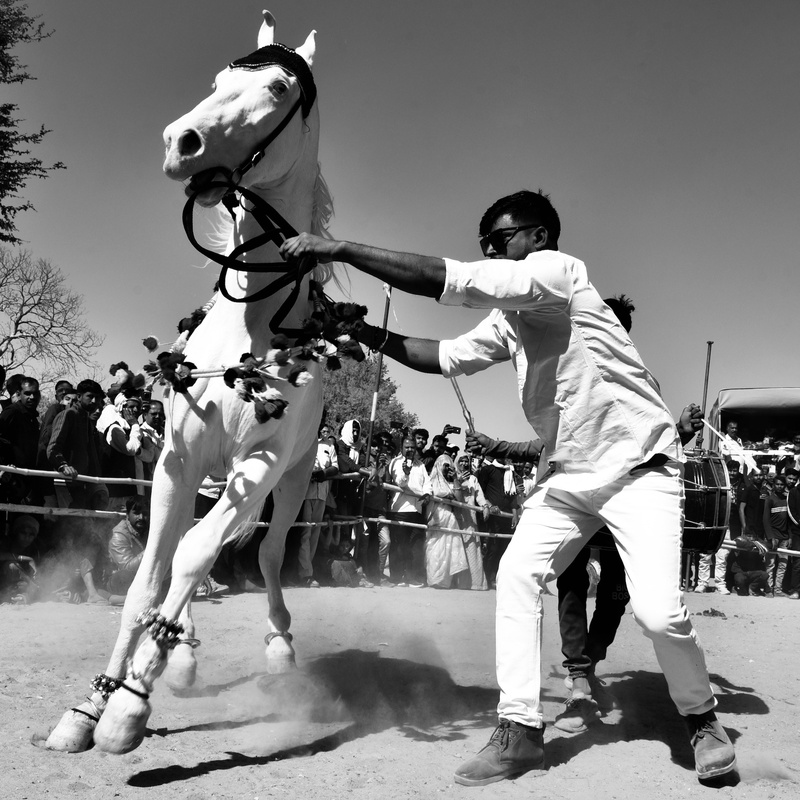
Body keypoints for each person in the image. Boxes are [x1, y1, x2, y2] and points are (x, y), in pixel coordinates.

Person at [280, 188, 735, 783]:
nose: (489, 250)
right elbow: (439, 355)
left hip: (640, 470)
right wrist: (364, 333)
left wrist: (335, 247)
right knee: (518, 576)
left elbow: (454, 280)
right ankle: (520, 731)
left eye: (499, 240)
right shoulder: (512, 319)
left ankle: (701, 718)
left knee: (656, 612)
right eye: (484, 244)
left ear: (538, 237)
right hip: (571, 475)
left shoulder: (559, 273)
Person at [47, 379, 107, 509]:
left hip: (80, 481)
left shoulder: (85, 419)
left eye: (96, 398)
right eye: (90, 396)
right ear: (79, 397)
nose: (94, 401)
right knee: (67, 522)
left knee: (80, 523)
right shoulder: (68, 414)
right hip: (64, 480)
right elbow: (52, 448)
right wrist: (63, 466)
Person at [295, 422, 338, 588]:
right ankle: (304, 573)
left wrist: (324, 474)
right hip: (306, 492)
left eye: (327, 430)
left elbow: (335, 466)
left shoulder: (330, 446)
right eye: (322, 429)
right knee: (305, 531)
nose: (324, 432)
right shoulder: (306, 441)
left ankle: (308, 569)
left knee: (315, 532)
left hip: (322, 494)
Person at [385, 436, 431, 587]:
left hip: (416, 509)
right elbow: (400, 483)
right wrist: (406, 472)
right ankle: (396, 577)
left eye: (412, 447)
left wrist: (427, 494)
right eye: (407, 447)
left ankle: (412, 577)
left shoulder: (421, 465)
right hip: (399, 509)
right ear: (402, 448)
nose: (410, 449)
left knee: (415, 546)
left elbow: (427, 484)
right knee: (399, 545)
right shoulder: (395, 462)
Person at [424, 453, 469, 588]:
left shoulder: (451, 483)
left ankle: (444, 582)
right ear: (438, 465)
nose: (447, 468)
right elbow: (433, 493)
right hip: (435, 519)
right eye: (445, 466)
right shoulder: (430, 480)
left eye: (450, 466)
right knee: (434, 552)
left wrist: (455, 479)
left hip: (449, 520)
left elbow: (459, 500)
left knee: (448, 552)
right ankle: (434, 580)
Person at [0, 376, 43, 504]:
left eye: (35, 393)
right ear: (19, 394)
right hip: (9, 477)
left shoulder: (34, 419)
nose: (31, 397)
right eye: (27, 393)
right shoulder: (11, 413)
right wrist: (3, 468)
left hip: (28, 478)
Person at [454, 452, 489, 590]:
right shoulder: (452, 476)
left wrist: (485, 506)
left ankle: (475, 583)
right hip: (456, 516)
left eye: (465, 461)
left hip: (470, 518)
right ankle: (457, 583)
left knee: (472, 547)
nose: (463, 464)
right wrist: (457, 480)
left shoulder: (474, 479)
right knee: (457, 548)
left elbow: (479, 495)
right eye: (461, 461)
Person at [107, 496, 149, 597]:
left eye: (145, 514)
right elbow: (126, 568)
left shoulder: (147, 528)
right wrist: (152, 549)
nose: (141, 517)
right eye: (136, 513)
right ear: (127, 515)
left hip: (143, 576)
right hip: (118, 581)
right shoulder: (119, 535)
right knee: (124, 576)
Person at [763, 473, 790, 596]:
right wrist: (771, 537)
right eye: (777, 484)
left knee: (783, 565)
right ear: (773, 485)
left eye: (781, 485)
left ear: (784, 486)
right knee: (770, 565)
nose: (779, 487)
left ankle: (778, 590)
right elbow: (765, 520)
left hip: (784, 538)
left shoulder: (786, 499)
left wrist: (789, 536)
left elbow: (789, 520)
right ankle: (769, 589)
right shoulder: (769, 500)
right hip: (773, 537)